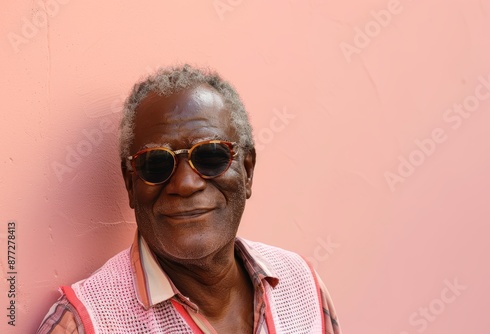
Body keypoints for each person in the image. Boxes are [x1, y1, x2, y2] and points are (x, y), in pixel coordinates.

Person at [37, 64, 342, 333]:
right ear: (131, 184)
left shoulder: (301, 284)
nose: (185, 184)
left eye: (211, 156)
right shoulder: (83, 323)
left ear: (247, 171)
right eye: (156, 163)